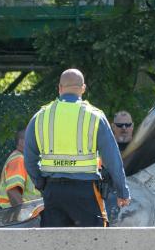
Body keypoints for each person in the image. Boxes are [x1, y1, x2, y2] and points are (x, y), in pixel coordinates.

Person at [24, 69, 129, 227]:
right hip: (86, 192)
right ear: (83, 88)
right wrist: (122, 191)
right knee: (94, 244)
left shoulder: (40, 117)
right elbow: (112, 160)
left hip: (53, 192)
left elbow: (29, 159)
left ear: (60, 88)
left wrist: (41, 184)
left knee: (55, 247)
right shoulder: (94, 117)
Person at [0, 126, 40, 208]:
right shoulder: (19, 160)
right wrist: (24, 214)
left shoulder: (22, 159)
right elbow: (12, 191)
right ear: (22, 142)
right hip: (18, 217)